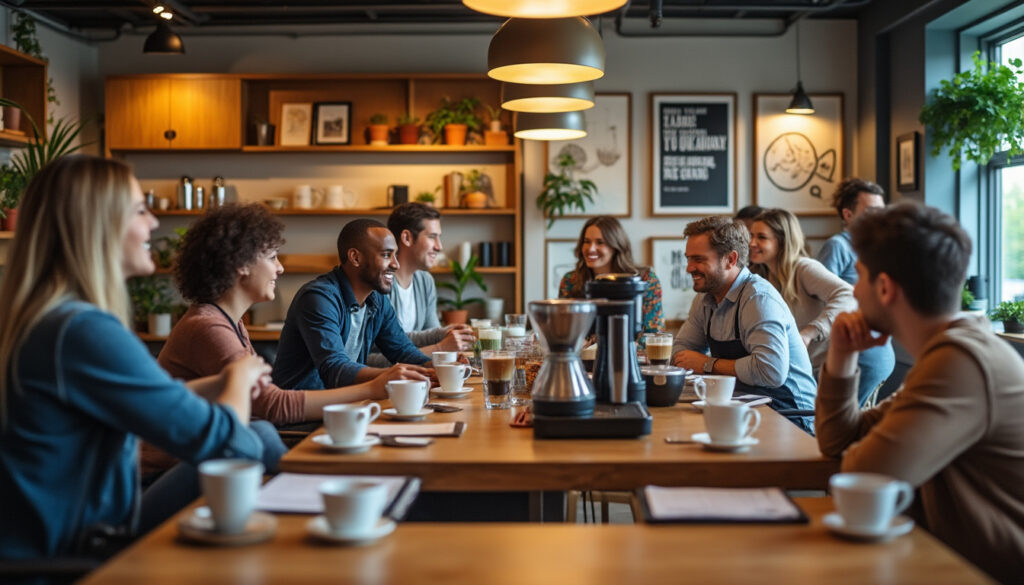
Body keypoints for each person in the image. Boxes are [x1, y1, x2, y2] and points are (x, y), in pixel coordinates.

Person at [0, 155, 269, 560]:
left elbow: (151, 399)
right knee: (259, 441)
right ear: (98, 225)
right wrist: (235, 378)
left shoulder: (49, 320)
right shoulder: (83, 331)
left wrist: (218, 385)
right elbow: (232, 448)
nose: (154, 223)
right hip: (83, 556)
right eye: (141, 210)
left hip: (72, 540)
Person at [815, 202, 1024, 584]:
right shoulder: (946, 354)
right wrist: (842, 355)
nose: (853, 292)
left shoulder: (962, 361)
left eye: (857, 277)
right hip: (939, 561)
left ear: (884, 288)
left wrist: (871, 448)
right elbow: (836, 440)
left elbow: (865, 476)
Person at [158, 205, 408, 425]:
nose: (280, 268)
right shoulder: (208, 327)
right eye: (272, 257)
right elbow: (272, 406)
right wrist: (373, 388)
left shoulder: (229, 322)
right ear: (241, 264)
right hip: (176, 467)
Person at [671, 216, 817, 431]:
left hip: (790, 416)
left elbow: (771, 371)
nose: (689, 268)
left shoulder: (758, 298)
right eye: (688, 259)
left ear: (730, 259)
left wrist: (707, 364)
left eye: (699, 260)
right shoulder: (706, 298)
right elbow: (681, 352)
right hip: (743, 409)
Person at [272, 218, 432, 389]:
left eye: (395, 255)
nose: (396, 264)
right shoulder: (319, 298)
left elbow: (404, 351)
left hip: (345, 405)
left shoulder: (377, 300)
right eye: (386, 255)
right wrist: (390, 374)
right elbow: (335, 369)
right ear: (355, 258)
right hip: (302, 410)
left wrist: (442, 368)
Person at [366, 203, 473, 366]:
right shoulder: (380, 282)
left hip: (416, 376)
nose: (439, 246)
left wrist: (448, 334)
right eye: (432, 237)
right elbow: (381, 345)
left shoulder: (425, 280)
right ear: (407, 238)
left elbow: (433, 332)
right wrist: (440, 347)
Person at [558, 216, 664, 333]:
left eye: (600, 242)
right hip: (583, 352)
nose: (591, 249)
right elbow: (563, 332)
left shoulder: (646, 280)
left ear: (616, 246)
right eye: (587, 242)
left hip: (631, 351)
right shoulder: (570, 281)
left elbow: (654, 335)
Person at [816, 178, 885, 284]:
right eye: (871, 211)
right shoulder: (837, 246)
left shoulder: (877, 246)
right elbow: (820, 293)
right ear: (848, 215)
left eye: (881, 211)